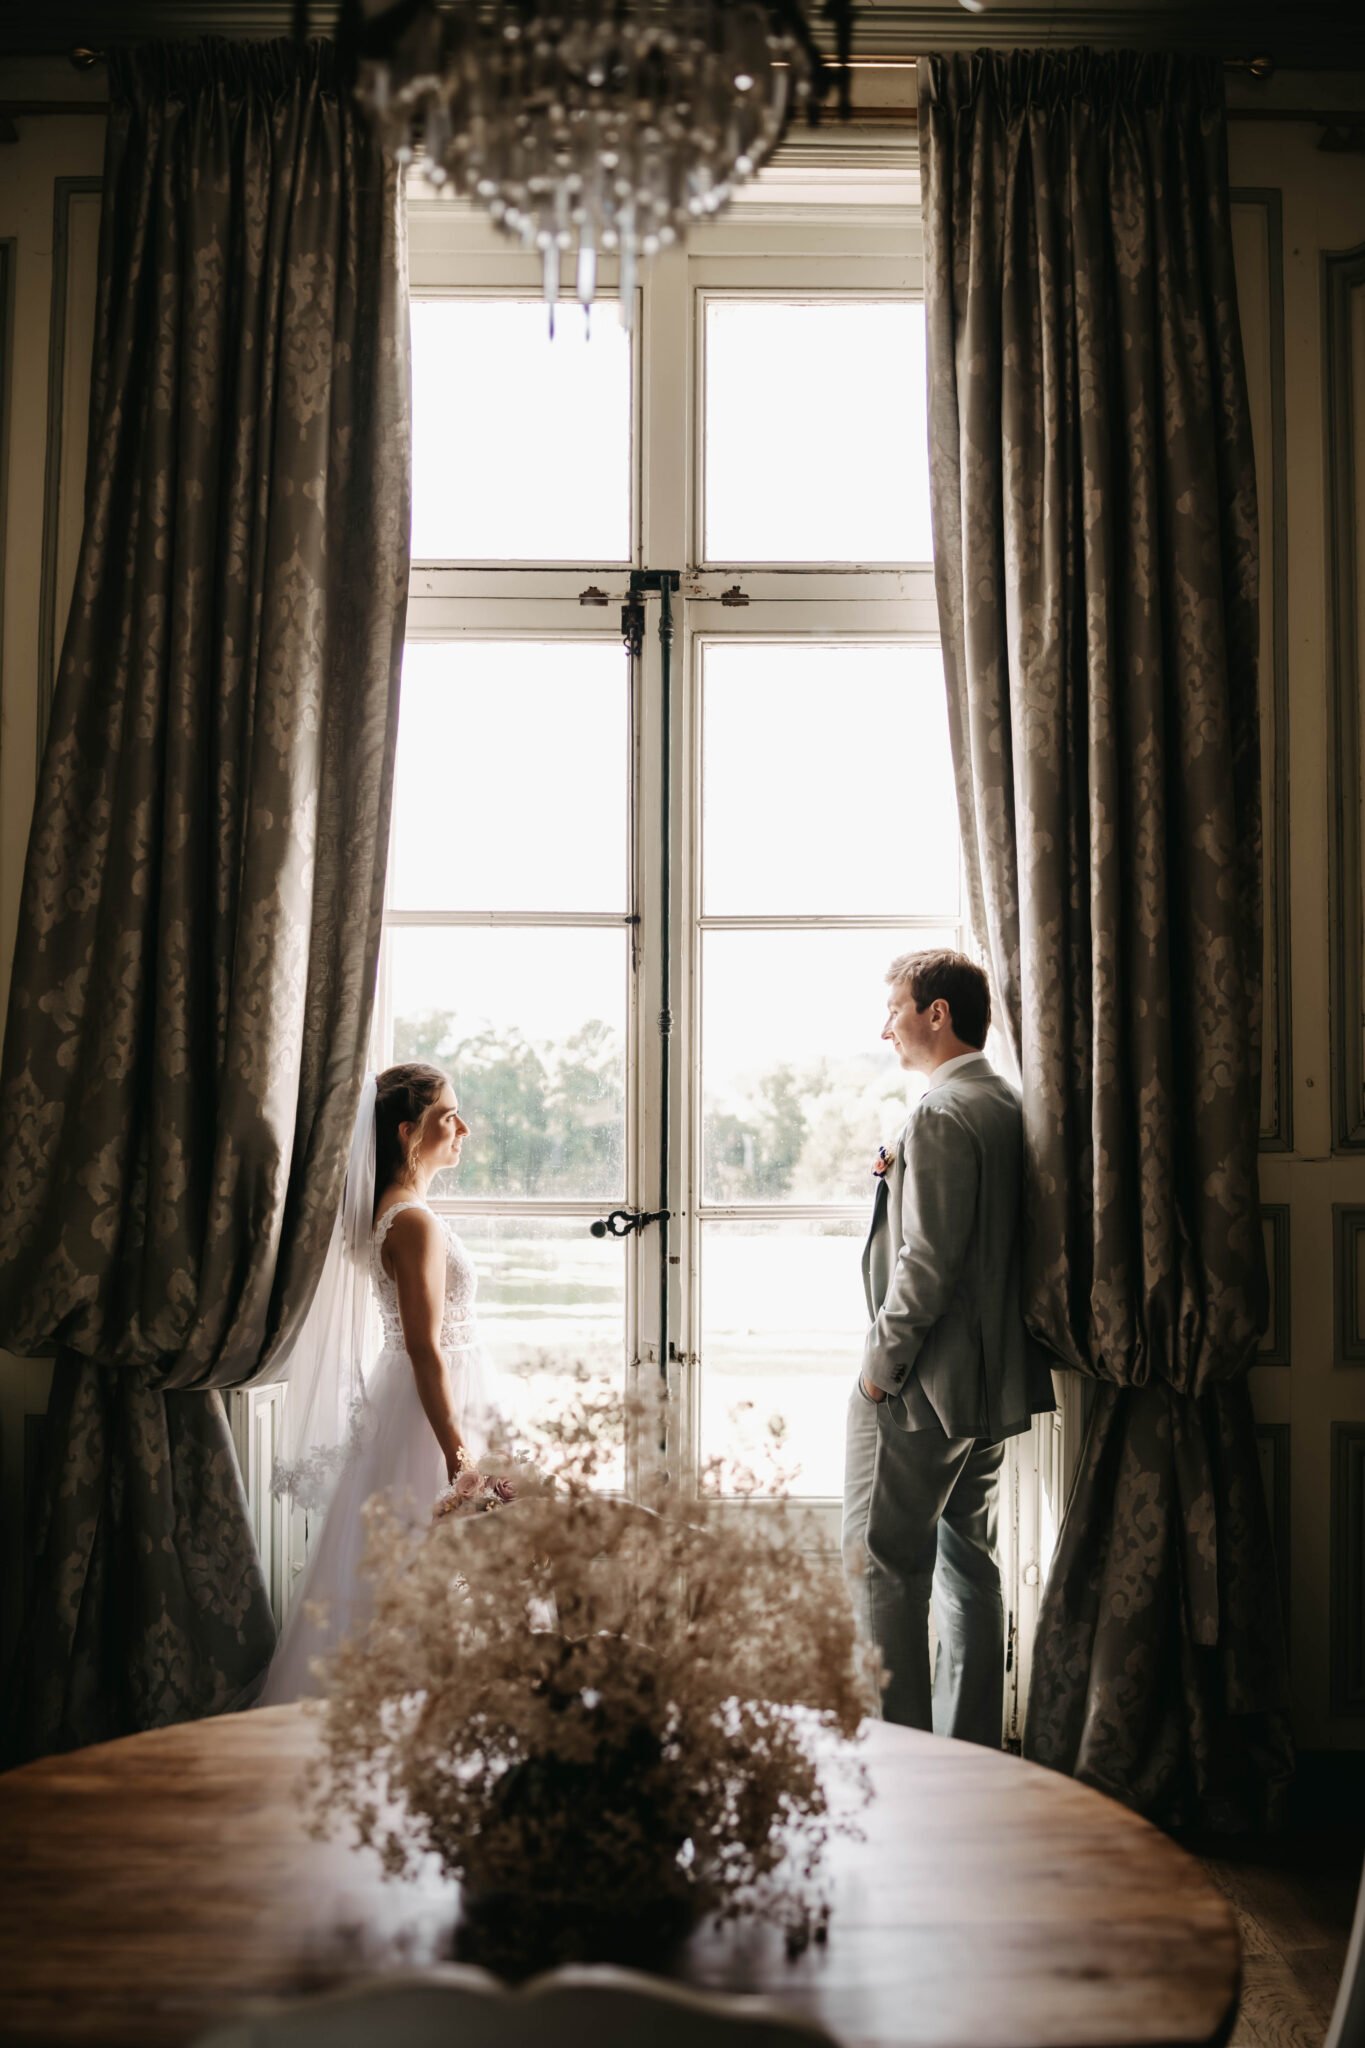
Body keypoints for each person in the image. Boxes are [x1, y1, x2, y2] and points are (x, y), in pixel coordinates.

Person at [841, 950, 1055, 1745]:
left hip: (921, 1386)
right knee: (970, 1568)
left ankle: (896, 1761)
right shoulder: (1003, 1101)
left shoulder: (938, 1115)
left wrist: (876, 1373)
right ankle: (969, 1757)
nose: (885, 1026)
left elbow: (925, 1263)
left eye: (894, 1007)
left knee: (881, 1570)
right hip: (991, 1385)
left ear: (937, 1013)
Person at [259, 1062, 497, 1704]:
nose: (464, 1128)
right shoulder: (413, 1222)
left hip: (420, 1400)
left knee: (413, 1573)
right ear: (407, 1131)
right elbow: (424, 1348)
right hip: (430, 1413)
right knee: (432, 1573)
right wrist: (459, 1456)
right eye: (450, 1116)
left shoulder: (397, 1213)